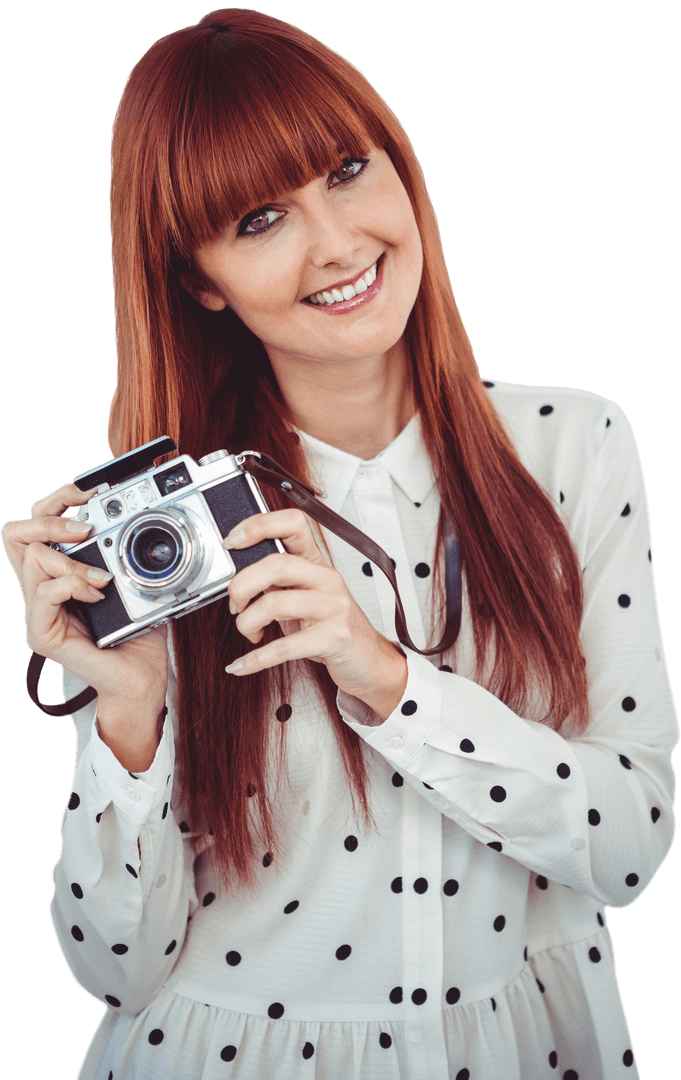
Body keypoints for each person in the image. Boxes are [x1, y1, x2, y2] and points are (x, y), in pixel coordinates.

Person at [2, 8, 677, 1079]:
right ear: (199, 279)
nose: (336, 243)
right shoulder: (168, 529)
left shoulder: (575, 446)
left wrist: (391, 683)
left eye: (349, 170)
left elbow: (634, 846)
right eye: (259, 219)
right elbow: (109, 969)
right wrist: (129, 723)